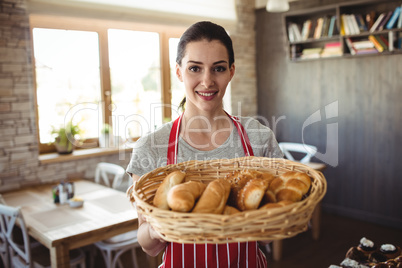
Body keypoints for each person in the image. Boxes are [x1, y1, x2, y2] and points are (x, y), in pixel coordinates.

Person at [127, 21, 283, 268]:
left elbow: (272, 230)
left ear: (231, 71)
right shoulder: (150, 147)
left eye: (218, 68)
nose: (207, 81)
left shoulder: (259, 138)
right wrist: (157, 230)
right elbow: (150, 245)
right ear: (179, 72)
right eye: (195, 68)